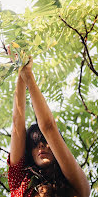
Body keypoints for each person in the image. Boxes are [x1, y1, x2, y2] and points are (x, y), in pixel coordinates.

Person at [7, 55, 90, 197]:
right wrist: (20, 68)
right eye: (34, 144)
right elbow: (17, 124)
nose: (41, 146)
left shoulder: (76, 187)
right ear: (29, 153)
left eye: (45, 142)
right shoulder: (20, 182)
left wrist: (28, 74)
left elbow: (49, 127)